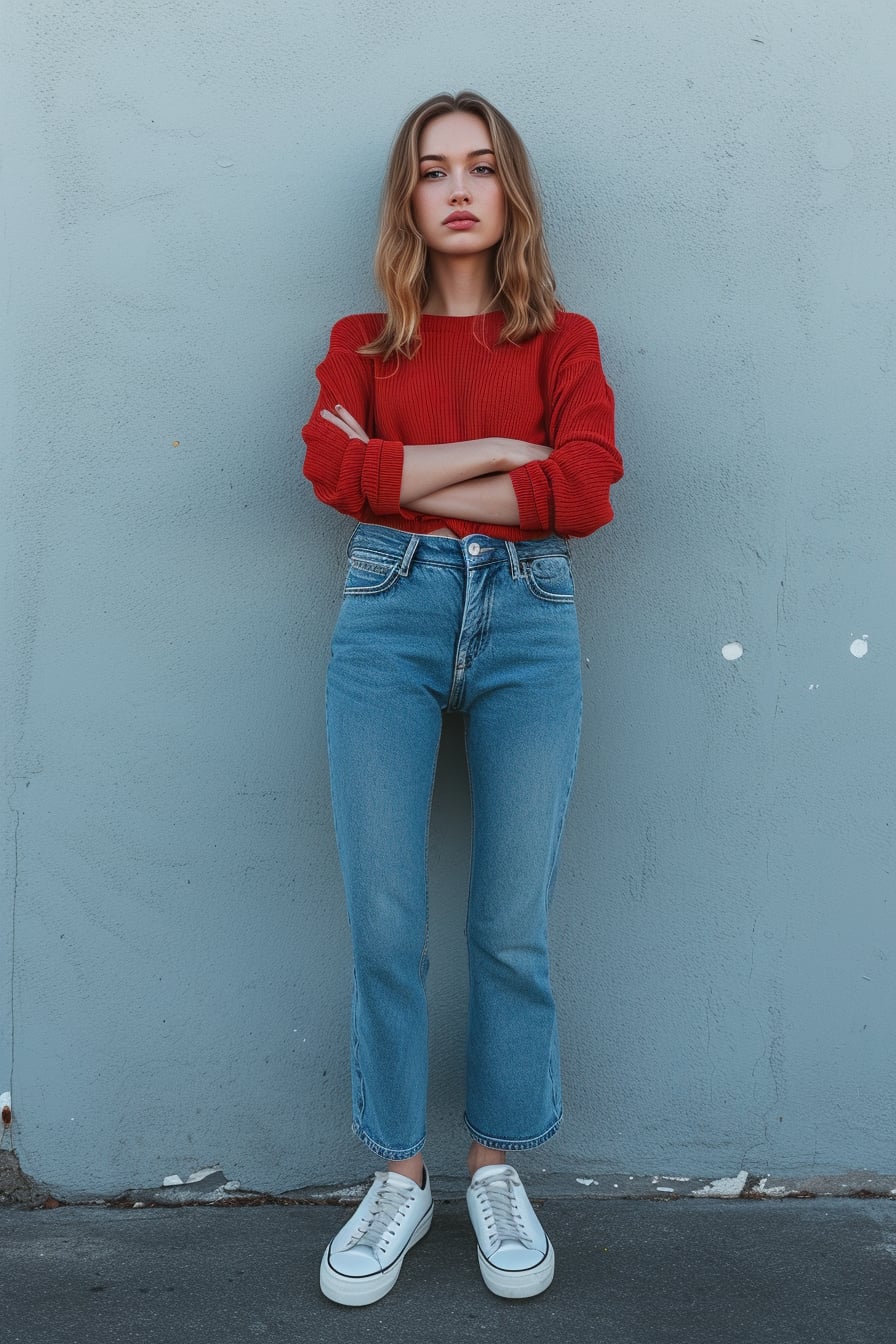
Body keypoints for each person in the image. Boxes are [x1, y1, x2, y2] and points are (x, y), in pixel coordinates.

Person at [300, 89, 623, 1306]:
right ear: (408, 199)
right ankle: (395, 1173)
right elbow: (331, 469)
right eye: (432, 170)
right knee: (384, 920)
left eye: (479, 168)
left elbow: (587, 492)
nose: (456, 189)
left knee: (509, 921)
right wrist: (502, 455)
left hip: (530, 623)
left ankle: (493, 1167)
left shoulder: (562, 340)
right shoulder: (362, 340)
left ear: (508, 194)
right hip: (386, 616)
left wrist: (405, 478)